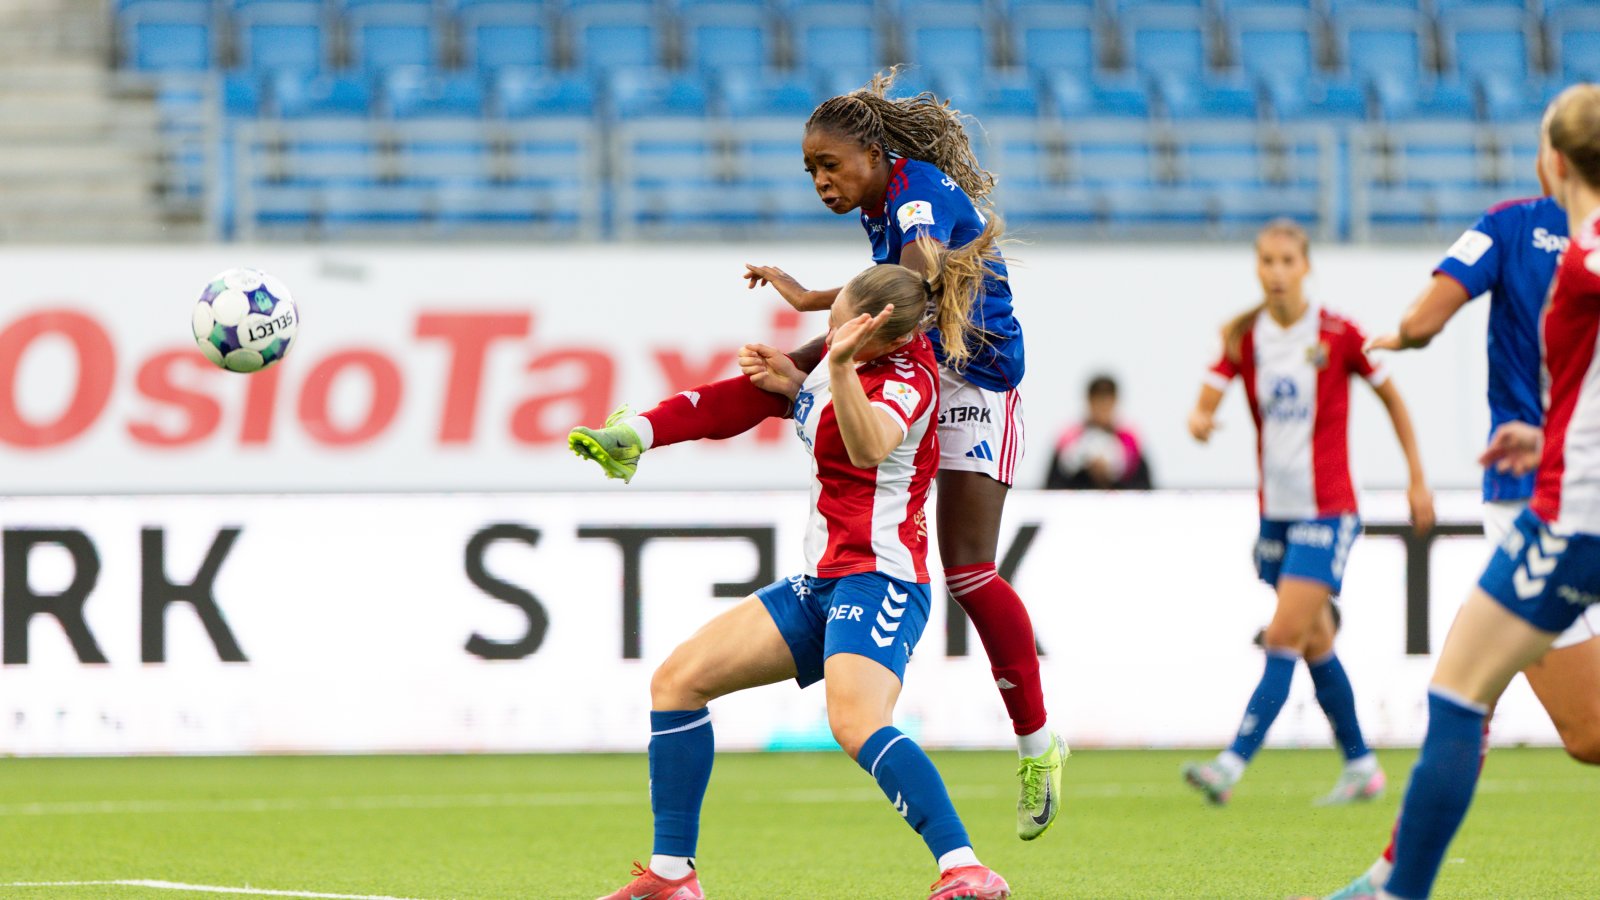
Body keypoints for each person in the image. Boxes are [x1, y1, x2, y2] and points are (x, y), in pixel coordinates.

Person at [569, 68, 1068, 840]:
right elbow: (890, 298)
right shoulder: (879, 204)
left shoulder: (914, 192)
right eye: (809, 170)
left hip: (976, 375)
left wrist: (815, 310)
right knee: (777, 379)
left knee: (969, 569)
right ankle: (638, 434)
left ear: (873, 154)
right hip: (905, 350)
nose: (819, 180)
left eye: (829, 164)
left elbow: (910, 284)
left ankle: (1037, 745)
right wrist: (815, 343)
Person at [597, 237, 1011, 900]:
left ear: (877, 333)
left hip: (880, 580)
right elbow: (774, 407)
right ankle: (672, 875)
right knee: (677, 681)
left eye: (841, 326)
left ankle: (965, 866)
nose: (829, 335)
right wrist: (795, 386)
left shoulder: (908, 379)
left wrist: (834, 369)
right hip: (821, 581)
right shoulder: (844, 361)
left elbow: (869, 444)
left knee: (855, 722)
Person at [1317, 83, 1600, 900]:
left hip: (1558, 509)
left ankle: (1394, 887)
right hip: (1558, 473)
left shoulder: (1534, 236)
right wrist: (1551, 436)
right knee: (1485, 694)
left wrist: (1400, 335)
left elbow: (1427, 317)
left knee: (1481, 697)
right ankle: (1393, 881)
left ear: (1553, 160)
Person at [1181, 219, 1435, 807]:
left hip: (1329, 510)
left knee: (1283, 633)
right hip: (1276, 514)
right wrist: (1199, 421)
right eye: (1266, 261)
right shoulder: (1244, 336)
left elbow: (1394, 401)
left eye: (1287, 261)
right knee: (1315, 642)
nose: (1276, 272)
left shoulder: (1339, 333)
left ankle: (1230, 765)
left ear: (1306, 267)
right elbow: (1205, 401)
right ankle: (1362, 766)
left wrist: (1417, 478)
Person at [1043, 373, 1153, 490]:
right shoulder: (1069, 441)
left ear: (1115, 402)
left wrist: (1111, 474)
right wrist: (1084, 470)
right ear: (1089, 401)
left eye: (1107, 403)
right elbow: (1053, 486)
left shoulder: (1129, 443)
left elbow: (1144, 488)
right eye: (1098, 402)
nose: (1102, 409)